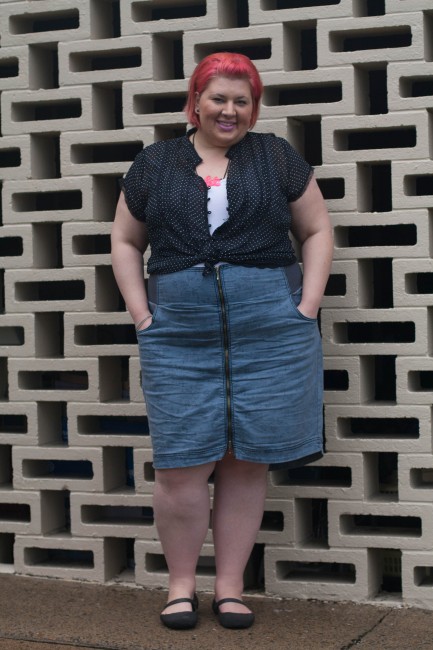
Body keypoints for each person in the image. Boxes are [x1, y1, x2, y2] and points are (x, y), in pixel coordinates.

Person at [111, 52, 333, 630]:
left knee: (246, 461)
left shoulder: (278, 158)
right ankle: (180, 586)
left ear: (253, 107)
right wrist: (141, 313)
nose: (229, 110)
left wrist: (306, 305)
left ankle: (230, 587)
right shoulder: (155, 163)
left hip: (271, 328)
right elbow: (126, 241)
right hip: (179, 330)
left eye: (242, 100)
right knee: (181, 464)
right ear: (195, 101)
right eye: (219, 98)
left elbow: (315, 228)